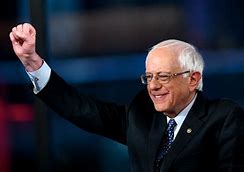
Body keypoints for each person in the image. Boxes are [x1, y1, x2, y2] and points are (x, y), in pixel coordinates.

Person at [9, 23, 244, 172]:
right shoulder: (142, 115)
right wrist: (32, 62)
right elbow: (82, 109)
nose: (153, 86)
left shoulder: (223, 117)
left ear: (193, 79)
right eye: (149, 77)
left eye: (163, 76)